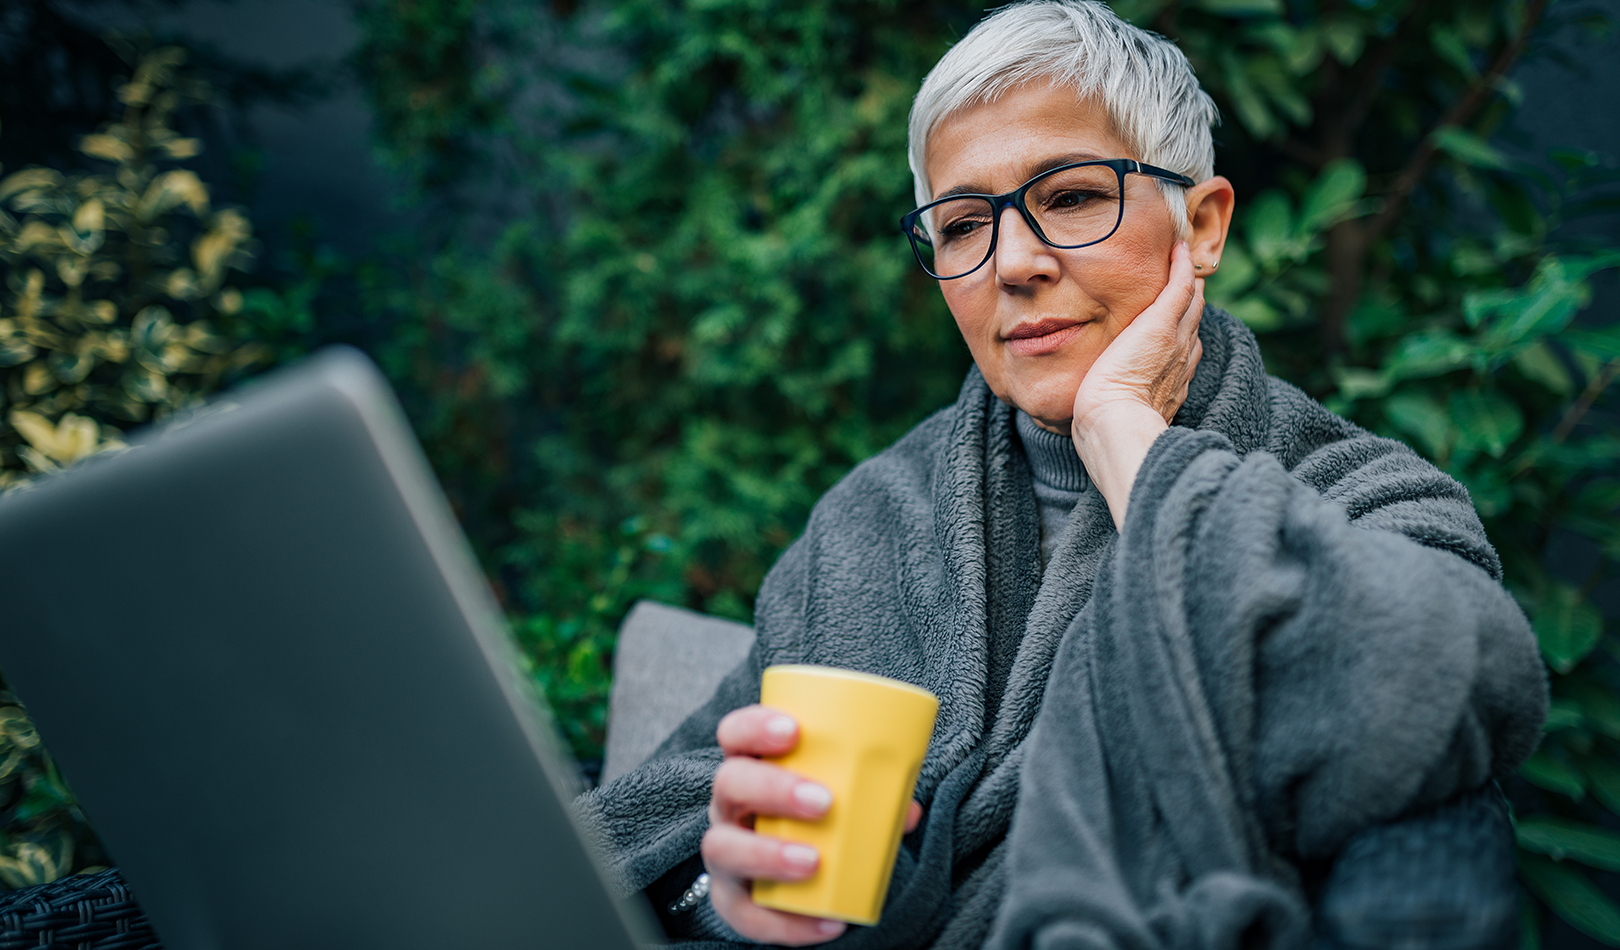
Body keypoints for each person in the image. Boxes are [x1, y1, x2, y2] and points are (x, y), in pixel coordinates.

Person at [575, 2, 1548, 948]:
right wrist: (726, 893)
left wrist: (1129, 437)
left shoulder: (1352, 492)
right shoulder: (870, 521)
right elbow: (672, 815)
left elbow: (1439, 694)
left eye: (1073, 196)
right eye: (961, 225)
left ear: (1202, 226)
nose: (1012, 261)